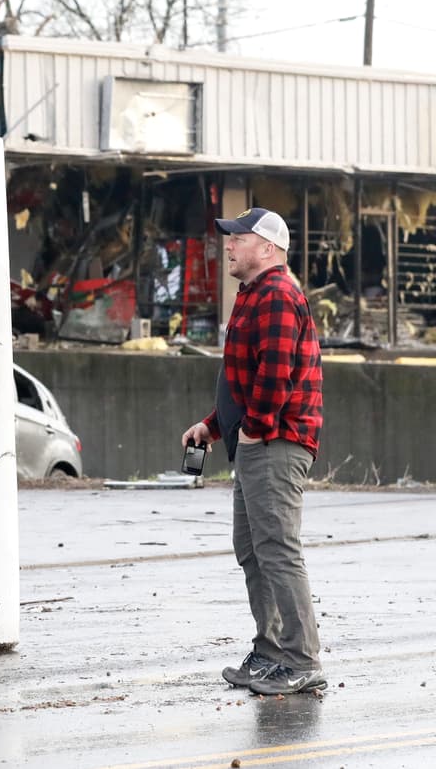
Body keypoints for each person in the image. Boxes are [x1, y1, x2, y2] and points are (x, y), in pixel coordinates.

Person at [181, 207, 325, 696]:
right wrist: (212, 425)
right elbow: (242, 378)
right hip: (257, 440)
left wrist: (256, 429)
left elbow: (276, 374)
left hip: (276, 442)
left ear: (268, 248)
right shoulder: (254, 295)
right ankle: (269, 652)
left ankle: (301, 658)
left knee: (278, 551)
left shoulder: (279, 295)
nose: (230, 244)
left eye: (239, 238)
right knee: (253, 550)